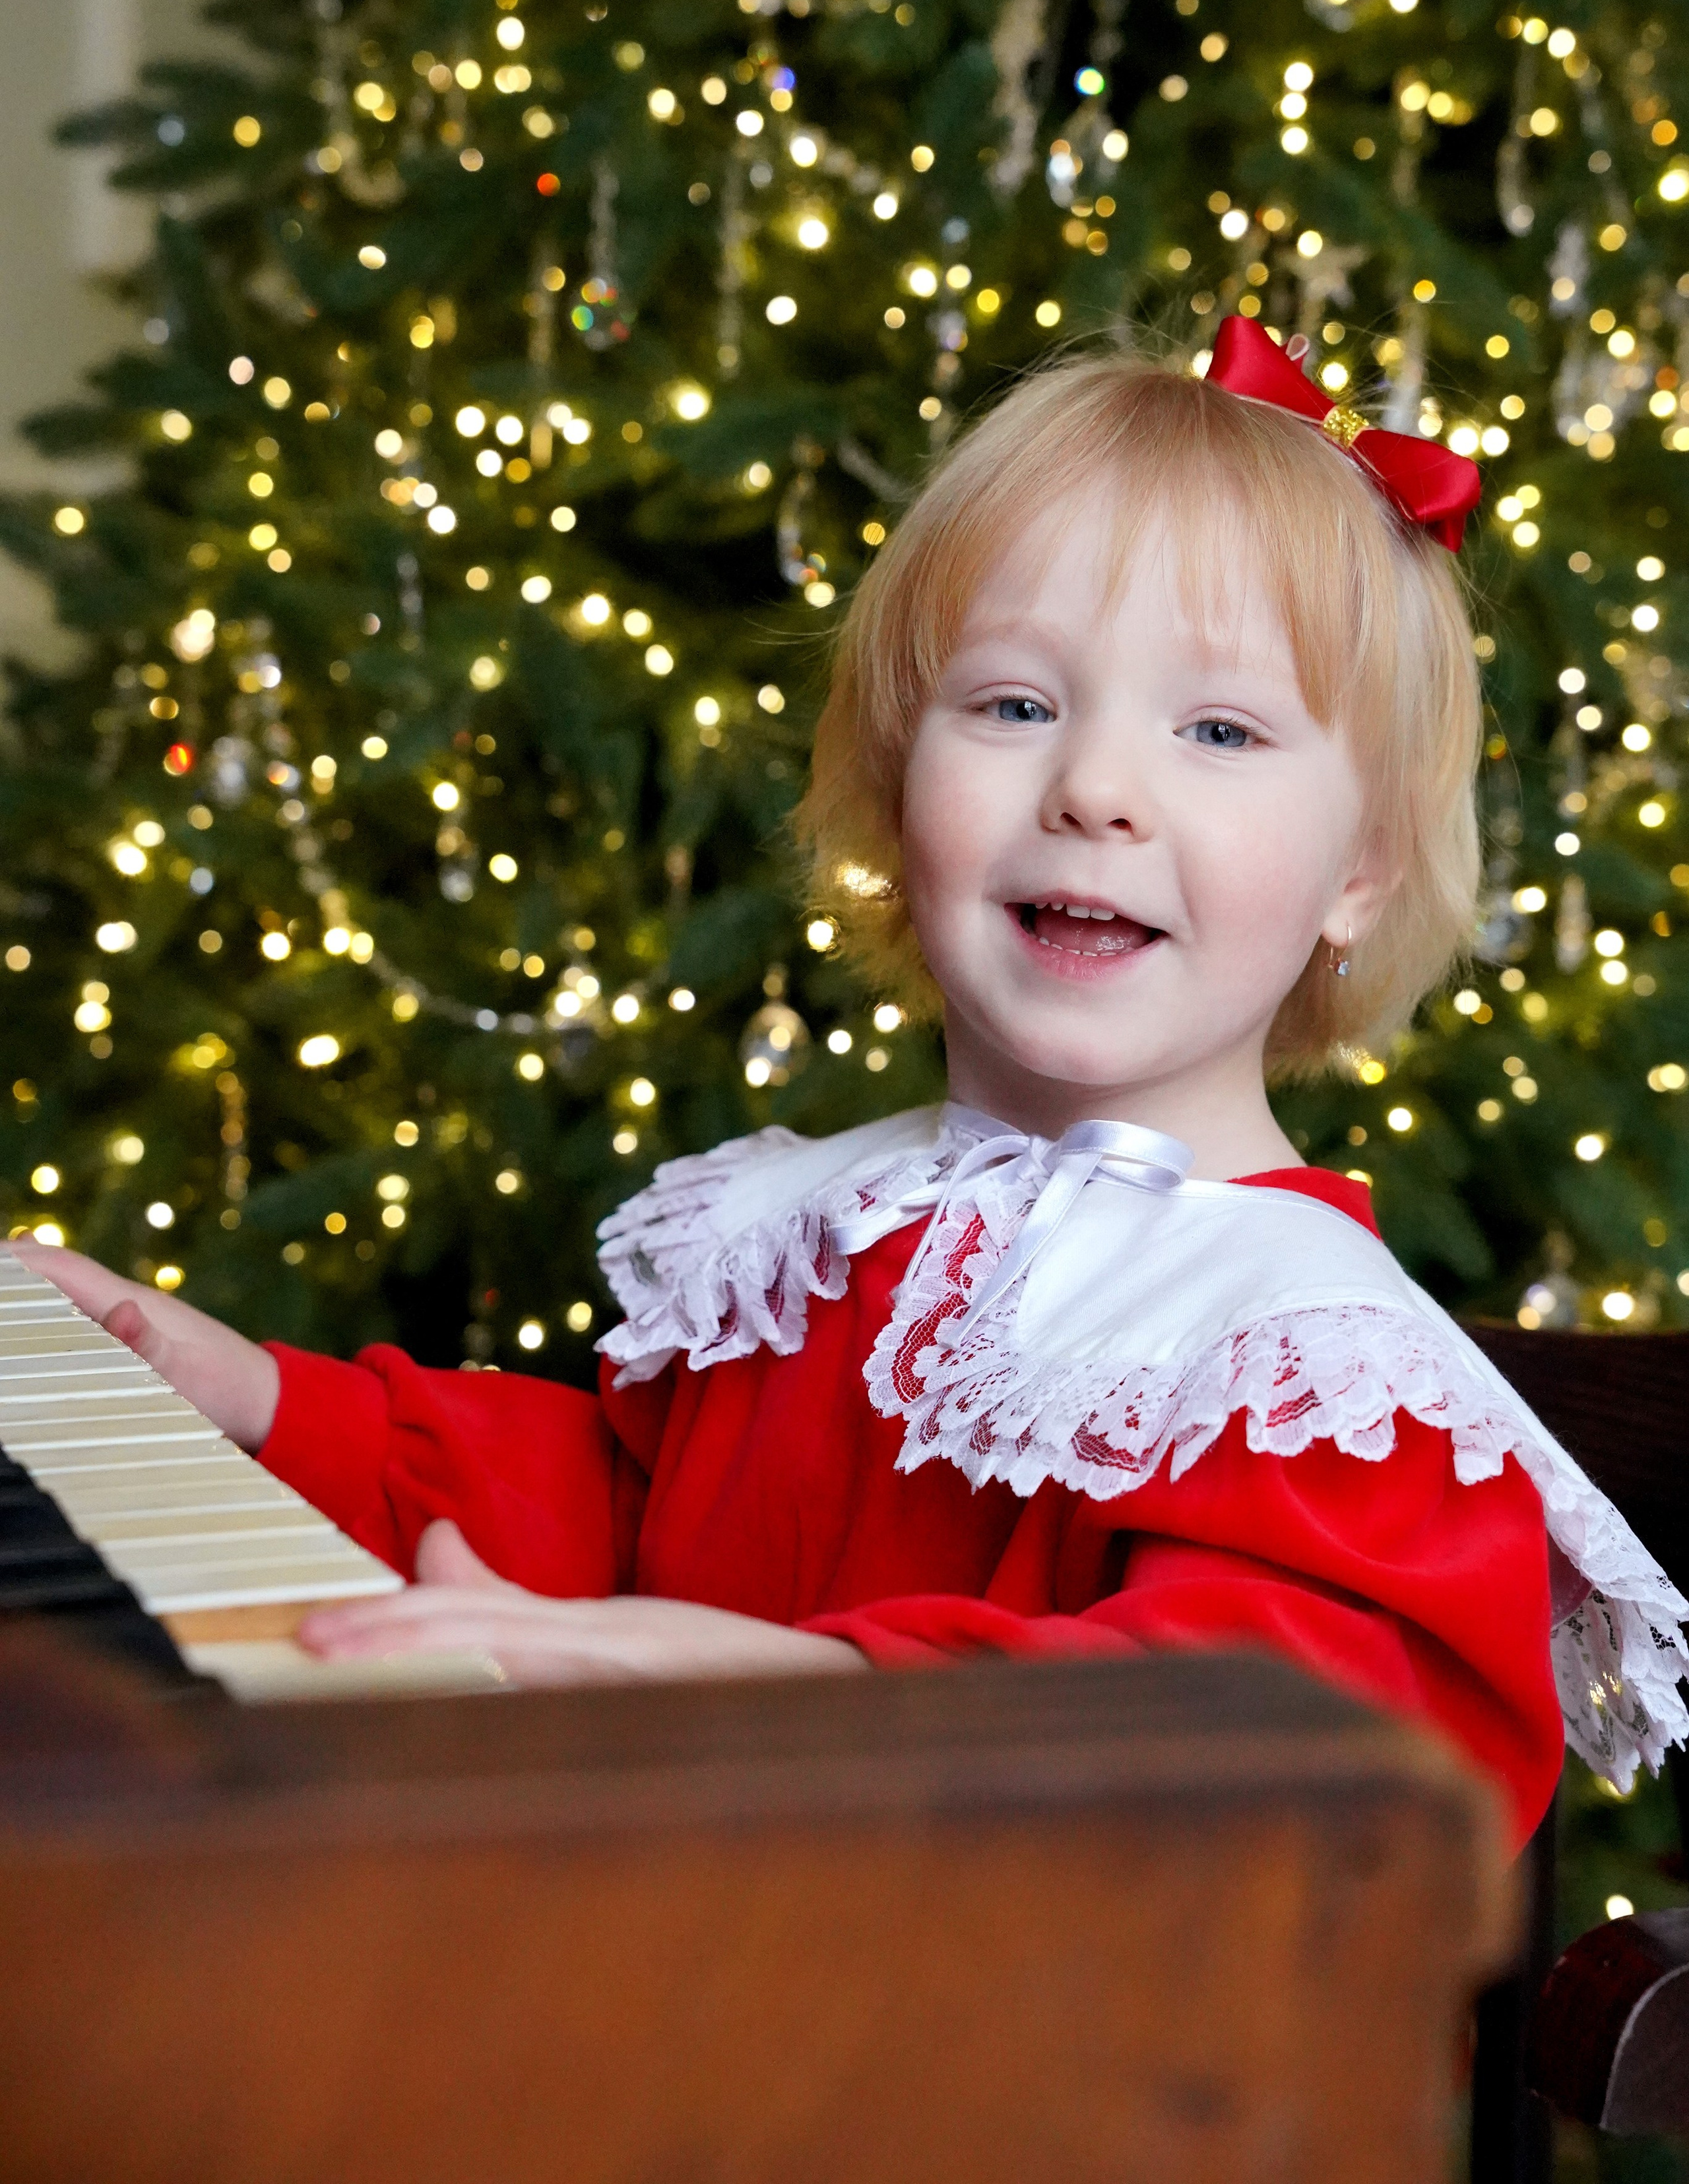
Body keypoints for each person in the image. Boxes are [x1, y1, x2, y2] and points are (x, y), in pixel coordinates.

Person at [18, 318, 1686, 1848]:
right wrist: (249, 1394)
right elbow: (610, 1507)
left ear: (1362, 873)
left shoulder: (1323, 1372)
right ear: (897, 800)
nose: (1094, 786)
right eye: (1015, 703)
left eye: (1222, 734)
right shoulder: (822, 1230)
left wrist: (761, 1689)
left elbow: (1260, 1769)